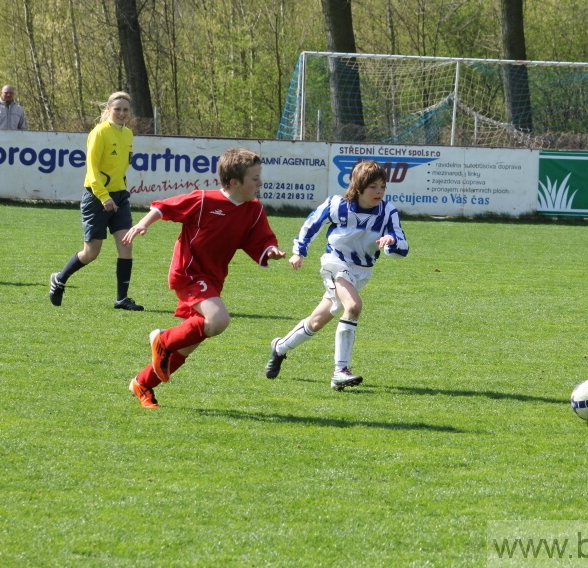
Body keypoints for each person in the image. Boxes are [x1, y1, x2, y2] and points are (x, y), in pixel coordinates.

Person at [122, 148, 287, 409]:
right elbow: (164, 207)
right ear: (234, 182)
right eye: (254, 178)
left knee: (190, 343)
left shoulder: (253, 210)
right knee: (218, 320)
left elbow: (262, 239)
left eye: (259, 177)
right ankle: (162, 340)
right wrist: (143, 223)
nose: (260, 183)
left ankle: (142, 384)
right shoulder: (203, 201)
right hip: (188, 273)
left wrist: (271, 250)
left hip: (213, 279)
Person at [265, 160, 409, 391]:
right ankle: (340, 371)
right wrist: (298, 252)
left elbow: (402, 246)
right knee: (353, 306)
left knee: (316, 321)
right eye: (373, 186)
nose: (379, 191)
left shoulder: (388, 212)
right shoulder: (337, 205)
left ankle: (279, 347)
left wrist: (390, 243)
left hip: (362, 272)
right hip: (335, 263)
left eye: (382, 186)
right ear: (359, 187)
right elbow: (312, 224)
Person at [49, 91, 143, 310]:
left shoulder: (128, 134)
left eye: (125, 110)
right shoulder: (99, 133)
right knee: (91, 253)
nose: (121, 113)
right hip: (96, 197)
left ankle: (122, 299)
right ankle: (59, 278)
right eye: (117, 109)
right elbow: (92, 172)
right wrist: (104, 197)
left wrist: (118, 194)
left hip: (120, 197)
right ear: (108, 110)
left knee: (126, 246)